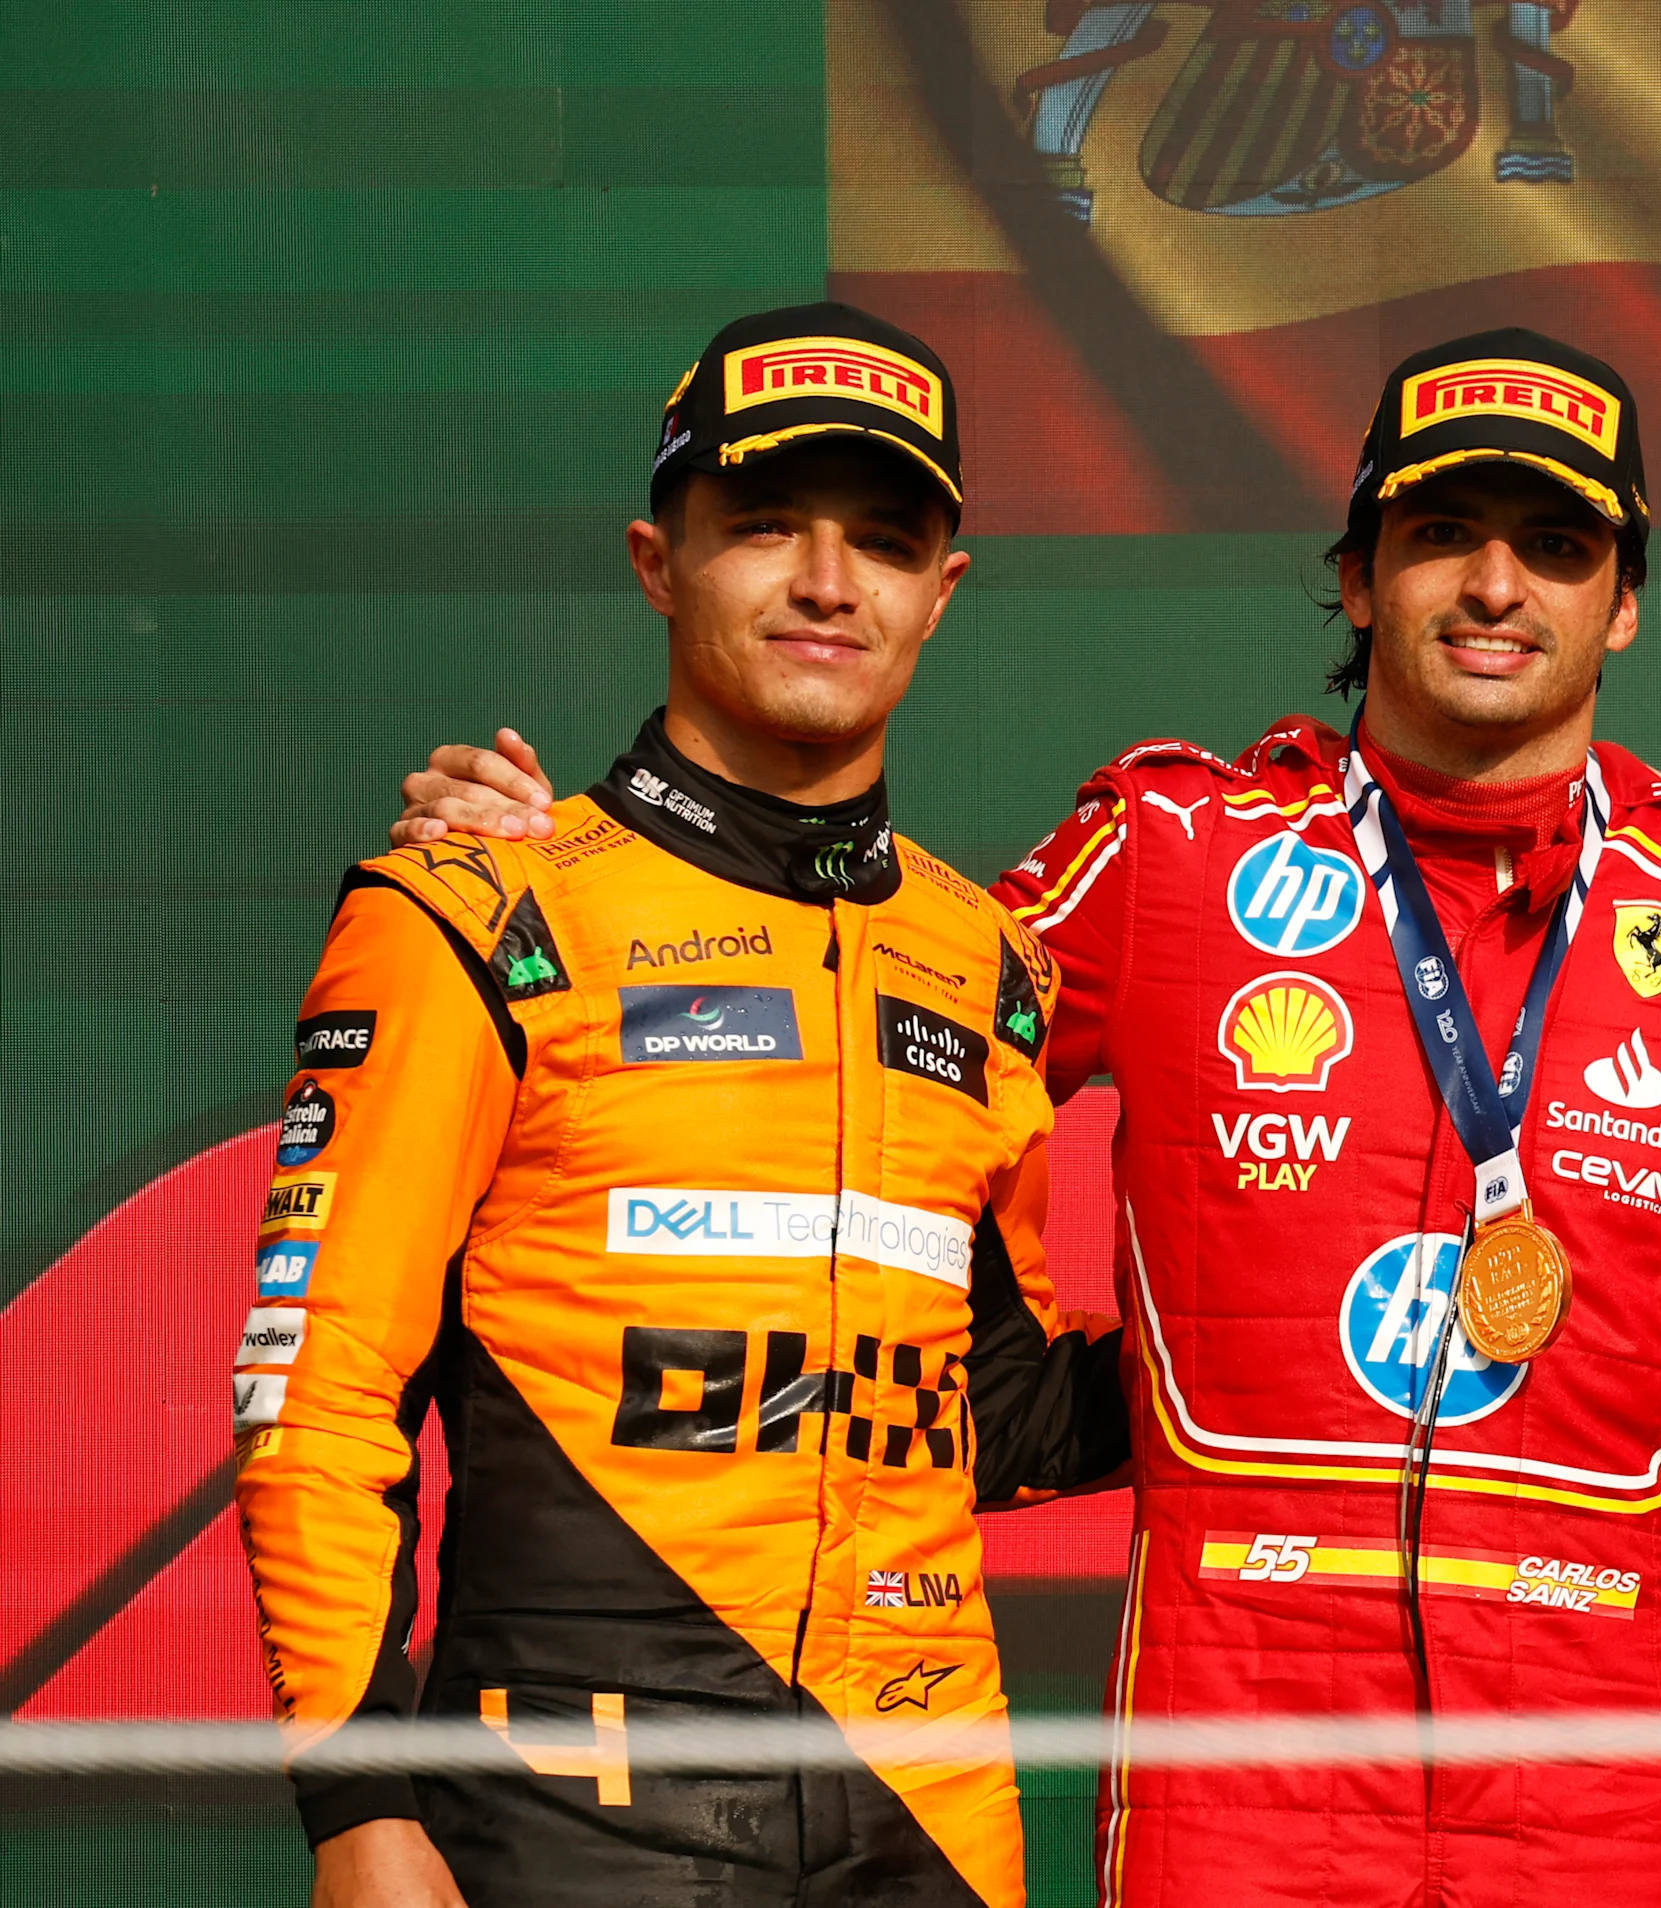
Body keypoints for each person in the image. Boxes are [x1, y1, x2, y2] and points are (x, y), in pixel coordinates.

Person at [393, 328, 1661, 1908]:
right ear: (1357, 578)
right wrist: (582, 877)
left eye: (1560, 548)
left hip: (1591, 1767)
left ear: (1626, 601)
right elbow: (847, 1045)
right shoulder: (1173, 855)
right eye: (1443, 533)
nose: (1498, 587)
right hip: (1233, 1750)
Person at [248, 302, 1129, 1908]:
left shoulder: (989, 962)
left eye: (883, 539)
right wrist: (357, 1805)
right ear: (660, 563)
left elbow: (993, 1414)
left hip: (932, 1817)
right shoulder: (476, 909)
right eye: (767, 525)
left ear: (941, 591)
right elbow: (320, 1392)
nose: (827, 580)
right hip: (572, 1818)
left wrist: (1307, 1351)